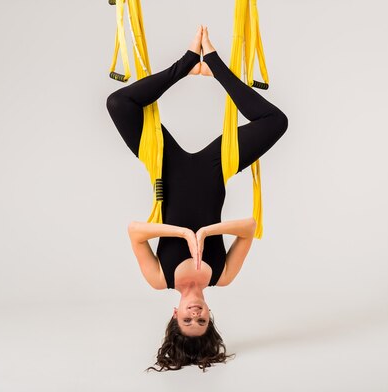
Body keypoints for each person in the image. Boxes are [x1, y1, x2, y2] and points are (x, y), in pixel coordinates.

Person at [106, 25, 288, 371]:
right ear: (209, 316)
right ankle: (215, 63)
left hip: (165, 164)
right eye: (201, 322)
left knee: (119, 103)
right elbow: (249, 227)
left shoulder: (160, 278)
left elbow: (134, 232)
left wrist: (182, 234)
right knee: (276, 121)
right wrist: (205, 233)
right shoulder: (222, 274)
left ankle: (189, 61)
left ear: (174, 316)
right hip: (214, 168)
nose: (194, 316)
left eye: (187, 322)